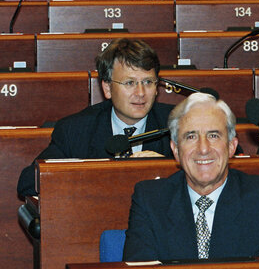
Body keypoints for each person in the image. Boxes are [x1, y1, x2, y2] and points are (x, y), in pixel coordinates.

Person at [123, 93, 259, 261]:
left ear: (231, 146)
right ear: (175, 150)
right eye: (191, 136)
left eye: (213, 136)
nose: (203, 149)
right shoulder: (150, 200)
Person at [17, 38, 173, 198]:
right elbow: (28, 182)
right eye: (129, 83)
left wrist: (167, 168)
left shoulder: (178, 125)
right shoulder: (76, 130)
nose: (140, 93)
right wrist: (98, 176)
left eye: (148, 82)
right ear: (107, 88)